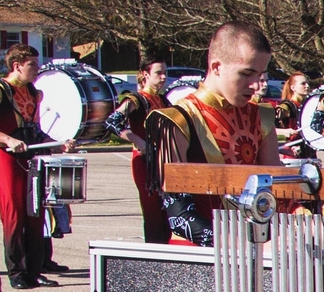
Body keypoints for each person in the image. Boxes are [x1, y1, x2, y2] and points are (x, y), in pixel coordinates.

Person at [147, 23, 276, 245]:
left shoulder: (262, 116)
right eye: (246, 73)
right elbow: (178, 216)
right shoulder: (175, 120)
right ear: (216, 67)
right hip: (198, 256)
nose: (256, 85)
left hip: (254, 248)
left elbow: (276, 190)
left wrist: (303, 216)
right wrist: (241, 243)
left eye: (260, 75)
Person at [0, 45, 54, 289]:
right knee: (14, 212)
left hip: (30, 153)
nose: (37, 70)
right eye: (32, 65)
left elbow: (35, 129)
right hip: (5, 155)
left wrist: (56, 144)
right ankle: (17, 272)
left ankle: (35, 270)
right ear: (17, 66)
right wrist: (7, 139)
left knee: (35, 211)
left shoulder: (33, 92)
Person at [105, 60, 174, 243]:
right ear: (145, 74)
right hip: (144, 163)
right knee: (152, 213)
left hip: (162, 161)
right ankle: (154, 256)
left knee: (166, 212)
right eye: (159, 73)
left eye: (165, 72)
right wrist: (137, 140)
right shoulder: (136, 100)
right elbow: (112, 122)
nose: (164, 77)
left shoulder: (163, 99)